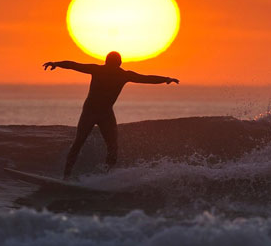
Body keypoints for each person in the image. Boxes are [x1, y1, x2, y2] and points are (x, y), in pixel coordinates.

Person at [43, 51, 179, 179]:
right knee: (83, 143)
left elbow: (146, 78)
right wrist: (166, 79)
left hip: (104, 113)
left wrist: (56, 64)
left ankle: (103, 177)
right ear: (118, 63)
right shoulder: (111, 72)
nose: (111, 66)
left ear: (113, 62)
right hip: (93, 112)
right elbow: (74, 65)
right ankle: (68, 176)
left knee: (109, 147)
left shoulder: (111, 72)